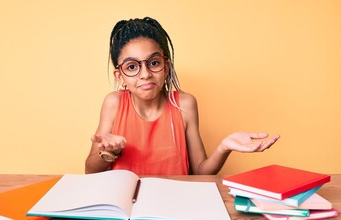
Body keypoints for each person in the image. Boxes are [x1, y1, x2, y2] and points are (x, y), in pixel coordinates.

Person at [85, 17, 280, 175]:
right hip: (127, 211)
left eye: (153, 63)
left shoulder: (185, 104)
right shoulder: (114, 103)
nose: (145, 74)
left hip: (174, 207)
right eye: (132, 67)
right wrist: (109, 152)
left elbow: (201, 172)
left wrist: (224, 148)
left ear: (166, 66)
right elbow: (90, 172)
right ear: (120, 76)